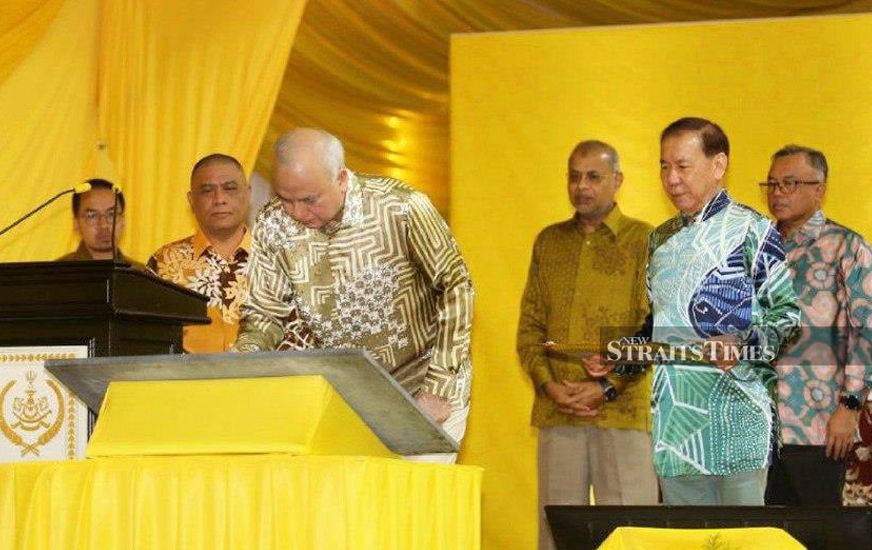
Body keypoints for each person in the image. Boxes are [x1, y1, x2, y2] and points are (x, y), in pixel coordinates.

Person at [586, 117, 800, 505]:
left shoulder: (754, 230)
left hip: (739, 421)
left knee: (741, 536)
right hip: (676, 426)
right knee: (686, 534)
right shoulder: (660, 239)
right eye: (664, 167)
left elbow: (786, 317)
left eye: (683, 166)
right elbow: (659, 326)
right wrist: (622, 356)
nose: (672, 179)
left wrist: (741, 342)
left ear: (718, 166)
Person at [234, 128, 474, 462]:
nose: (297, 213)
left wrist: (439, 385)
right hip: (348, 392)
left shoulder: (401, 208)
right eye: (286, 199)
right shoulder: (273, 222)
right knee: (353, 492)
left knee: (412, 491)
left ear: (342, 179)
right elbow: (265, 311)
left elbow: (455, 286)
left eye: (310, 200)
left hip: (424, 382)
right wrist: (245, 356)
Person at [517, 140, 657, 550]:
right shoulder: (549, 242)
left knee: (631, 530)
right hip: (558, 409)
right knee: (557, 530)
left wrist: (607, 385)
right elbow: (529, 328)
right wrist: (549, 385)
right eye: (574, 176)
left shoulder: (644, 240)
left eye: (594, 177)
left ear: (618, 180)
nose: (582, 186)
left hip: (623, 409)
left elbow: (654, 327)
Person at [760, 145, 872, 505]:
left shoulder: (845, 247)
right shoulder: (757, 249)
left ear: (819, 189)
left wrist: (850, 406)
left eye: (790, 183)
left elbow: (866, 331)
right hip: (759, 428)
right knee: (767, 529)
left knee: (822, 527)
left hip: (820, 424)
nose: (778, 192)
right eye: (772, 184)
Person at [148, 154, 310, 354]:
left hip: (267, 374)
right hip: (185, 375)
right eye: (207, 191)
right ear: (191, 200)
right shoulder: (164, 263)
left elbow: (304, 338)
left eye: (230, 188)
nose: (219, 199)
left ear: (248, 194)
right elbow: (147, 340)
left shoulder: (285, 263)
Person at [57, 178, 144, 269]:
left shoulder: (140, 272)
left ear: (123, 220)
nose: (104, 225)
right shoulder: (58, 271)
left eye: (111, 214)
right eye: (92, 216)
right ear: (76, 224)